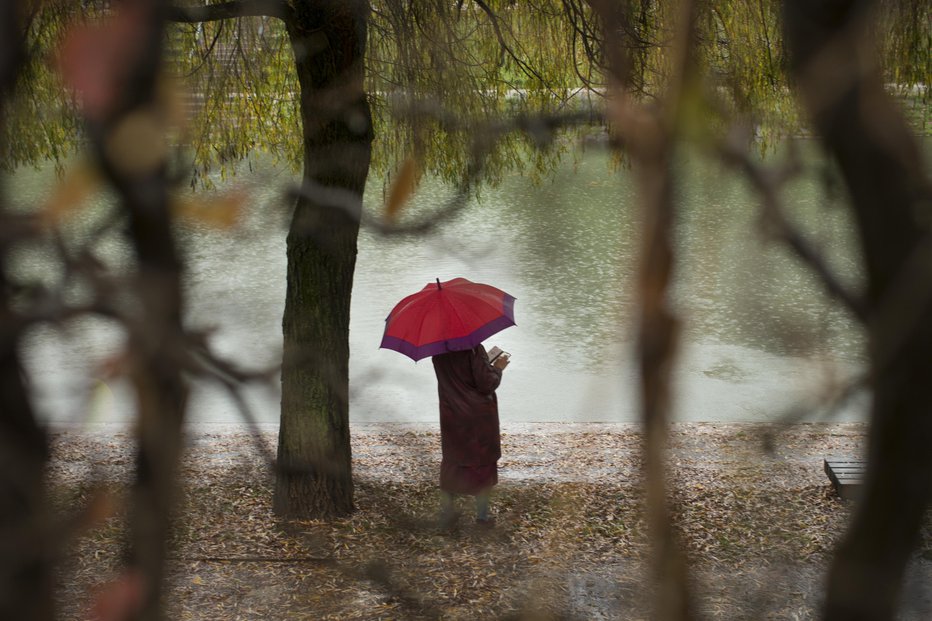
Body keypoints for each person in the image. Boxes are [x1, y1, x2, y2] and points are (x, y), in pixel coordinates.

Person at [431, 343, 509, 528]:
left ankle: (447, 513)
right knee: (482, 463)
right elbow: (486, 383)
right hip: (477, 416)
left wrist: (483, 364)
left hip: (451, 413)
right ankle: (482, 518)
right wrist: (497, 368)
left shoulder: (437, 350)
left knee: (453, 460)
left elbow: (459, 376)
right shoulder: (473, 348)